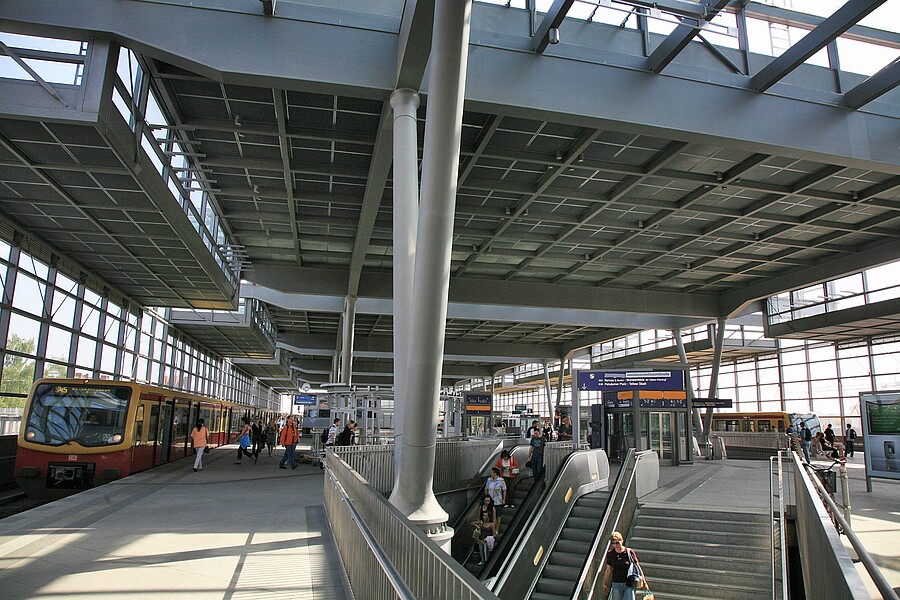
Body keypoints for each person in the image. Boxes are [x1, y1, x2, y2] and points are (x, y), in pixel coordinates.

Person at [602, 531, 644, 600]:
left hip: (629, 582)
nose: (615, 545)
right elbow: (608, 570)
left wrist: (643, 581)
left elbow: (637, 567)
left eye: (617, 543)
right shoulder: (611, 554)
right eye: (613, 543)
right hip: (616, 582)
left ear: (621, 540)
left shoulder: (629, 552)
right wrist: (604, 583)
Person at [470, 495, 497, 567]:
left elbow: (494, 534)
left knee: (487, 551)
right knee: (481, 550)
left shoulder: (491, 524)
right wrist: (477, 526)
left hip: (487, 538)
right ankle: (482, 561)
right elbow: (473, 522)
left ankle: (487, 562)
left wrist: (489, 538)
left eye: (488, 501)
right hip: (481, 539)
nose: (487, 502)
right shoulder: (481, 521)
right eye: (486, 500)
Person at [484, 467, 507, 534]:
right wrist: (486, 496)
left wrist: (503, 499)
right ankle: (492, 529)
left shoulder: (501, 480)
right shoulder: (489, 480)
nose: (490, 473)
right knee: (491, 514)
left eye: (491, 472)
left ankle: (497, 528)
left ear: (495, 473)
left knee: (498, 515)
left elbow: (504, 490)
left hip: (497, 500)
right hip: (490, 500)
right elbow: (486, 488)